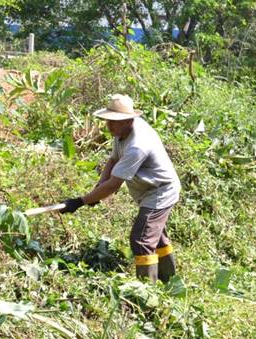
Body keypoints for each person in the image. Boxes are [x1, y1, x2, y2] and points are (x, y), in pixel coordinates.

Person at [59, 94, 181, 284]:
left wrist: (81, 201)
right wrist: (98, 187)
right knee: (156, 238)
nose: (109, 126)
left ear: (129, 120)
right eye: (108, 120)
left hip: (160, 192)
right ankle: (170, 282)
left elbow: (115, 184)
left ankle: (147, 294)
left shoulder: (137, 145)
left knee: (141, 240)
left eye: (114, 122)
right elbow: (114, 159)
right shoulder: (121, 132)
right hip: (148, 189)